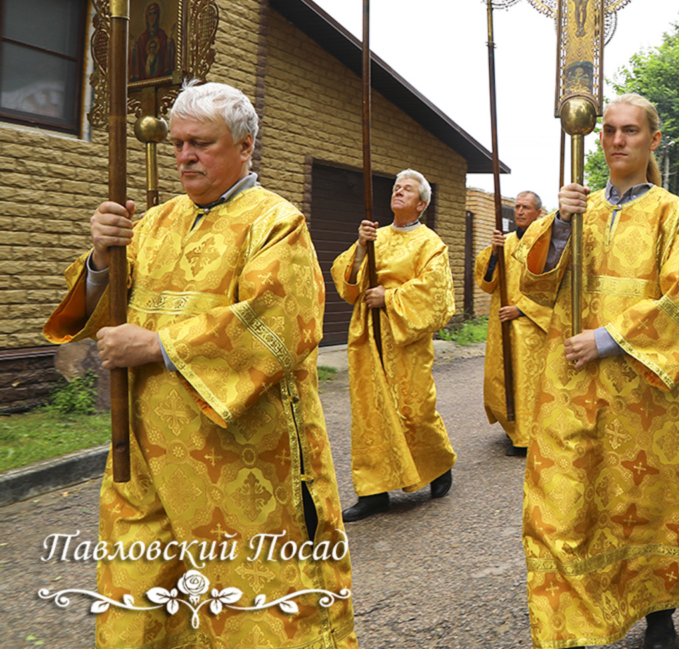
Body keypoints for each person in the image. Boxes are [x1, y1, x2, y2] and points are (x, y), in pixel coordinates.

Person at [44, 81, 356, 648]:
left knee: (254, 611)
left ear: (245, 145)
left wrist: (159, 347)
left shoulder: (277, 223)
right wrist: (98, 258)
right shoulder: (155, 222)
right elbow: (97, 305)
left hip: (238, 465)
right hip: (145, 461)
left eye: (201, 143)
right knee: (138, 609)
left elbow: (279, 324)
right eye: (178, 142)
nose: (185, 155)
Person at [519, 93, 679, 649]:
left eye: (631, 131)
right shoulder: (576, 207)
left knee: (646, 500)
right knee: (568, 498)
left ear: (652, 140)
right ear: (597, 139)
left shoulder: (673, 212)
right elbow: (537, 286)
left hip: (646, 392)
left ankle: (657, 610)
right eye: (611, 131)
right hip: (573, 385)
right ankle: (571, 619)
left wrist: (608, 338)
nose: (619, 140)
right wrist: (561, 227)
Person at [332, 170, 457, 522]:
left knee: (415, 408)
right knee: (370, 414)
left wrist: (389, 297)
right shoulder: (374, 235)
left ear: (421, 203)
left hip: (406, 338)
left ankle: (436, 465)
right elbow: (348, 284)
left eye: (408, 189)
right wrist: (359, 246)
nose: (398, 191)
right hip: (368, 337)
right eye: (396, 187)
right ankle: (373, 491)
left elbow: (436, 296)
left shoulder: (430, 243)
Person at [475, 191, 551, 456]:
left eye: (526, 207)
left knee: (525, 380)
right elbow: (487, 283)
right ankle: (511, 425)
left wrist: (522, 309)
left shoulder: (546, 243)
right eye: (517, 206)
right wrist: (494, 253)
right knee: (500, 376)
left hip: (529, 324)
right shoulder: (504, 241)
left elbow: (552, 287)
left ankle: (525, 437)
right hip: (501, 323)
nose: (520, 211)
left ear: (537, 213)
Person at [129, 0, 174, 82]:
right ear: (146, 17)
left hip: (162, 80)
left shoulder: (162, 35)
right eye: (150, 14)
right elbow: (138, 58)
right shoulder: (142, 38)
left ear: (158, 16)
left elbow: (166, 55)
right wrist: (134, 50)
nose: (152, 17)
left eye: (154, 13)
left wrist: (169, 43)